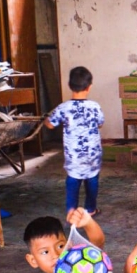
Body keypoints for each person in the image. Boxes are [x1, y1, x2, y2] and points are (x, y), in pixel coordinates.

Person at [45, 66, 104, 215]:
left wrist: (46, 119)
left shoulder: (63, 108)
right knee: (92, 180)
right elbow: (100, 123)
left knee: (73, 180)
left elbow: (50, 124)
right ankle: (90, 209)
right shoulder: (95, 106)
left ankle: (71, 213)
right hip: (92, 154)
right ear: (89, 87)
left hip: (74, 155)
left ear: (70, 85)